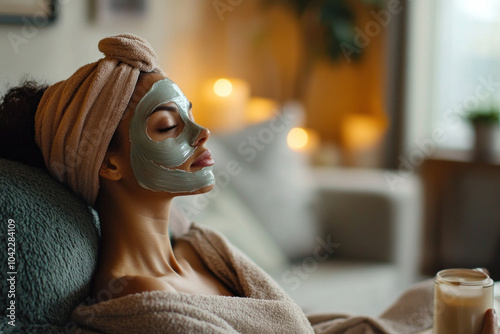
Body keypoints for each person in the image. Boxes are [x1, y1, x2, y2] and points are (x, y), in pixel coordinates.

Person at [0, 34, 497, 334]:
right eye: (168, 126)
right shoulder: (142, 310)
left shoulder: (202, 247)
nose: (203, 133)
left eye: (191, 115)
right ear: (107, 165)